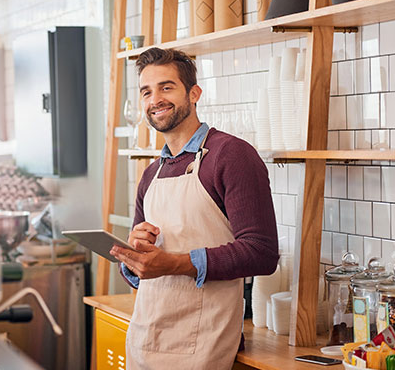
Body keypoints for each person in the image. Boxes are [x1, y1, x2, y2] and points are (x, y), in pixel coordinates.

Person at [109, 47, 279, 369]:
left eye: (166, 87)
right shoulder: (151, 173)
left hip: (203, 346)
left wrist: (175, 263)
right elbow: (137, 269)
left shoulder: (232, 155)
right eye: (147, 91)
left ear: (194, 93)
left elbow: (262, 252)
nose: (155, 99)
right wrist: (133, 258)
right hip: (145, 342)